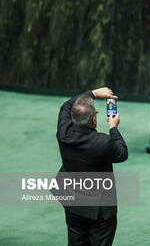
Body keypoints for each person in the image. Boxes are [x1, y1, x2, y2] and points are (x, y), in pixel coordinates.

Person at [56, 87, 128, 246]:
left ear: (72, 118)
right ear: (94, 121)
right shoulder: (103, 142)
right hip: (99, 211)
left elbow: (66, 106)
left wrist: (93, 93)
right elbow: (122, 154)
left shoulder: (63, 133)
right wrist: (113, 128)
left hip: (72, 203)